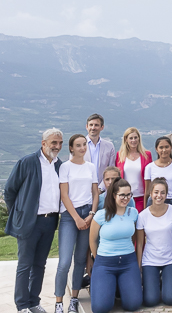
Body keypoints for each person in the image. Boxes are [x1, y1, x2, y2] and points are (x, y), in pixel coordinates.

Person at [4, 128, 64, 313]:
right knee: (25, 265)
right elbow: (10, 191)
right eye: (54, 142)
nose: (57, 146)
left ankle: (33, 302)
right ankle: (22, 306)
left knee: (40, 264)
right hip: (30, 222)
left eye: (60, 143)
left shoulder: (59, 165)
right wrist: (19, 214)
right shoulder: (28, 162)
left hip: (50, 222)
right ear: (43, 143)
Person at [55, 134, 99, 313]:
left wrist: (91, 214)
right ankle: (59, 302)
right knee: (64, 262)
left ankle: (74, 299)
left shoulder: (90, 167)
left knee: (80, 259)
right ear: (71, 148)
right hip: (69, 216)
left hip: (87, 213)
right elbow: (64, 195)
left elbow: (95, 192)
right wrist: (76, 218)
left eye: (83, 145)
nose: (82, 148)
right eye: (78, 145)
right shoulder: (65, 167)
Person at [88, 178, 142, 312]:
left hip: (128, 262)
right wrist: (97, 258)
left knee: (133, 305)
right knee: (101, 308)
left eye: (129, 194)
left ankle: (118, 288)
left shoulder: (133, 213)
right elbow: (92, 240)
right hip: (105, 263)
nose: (126, 198)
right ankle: (99, 287)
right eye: (122, 195)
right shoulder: (101, 215)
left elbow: (135, 237)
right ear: (114, 195)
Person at [136, 178, 172, 307]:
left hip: (170, 260)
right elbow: (140, 243)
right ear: (150, 193)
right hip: (150, 260)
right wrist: (139, 266)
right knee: (150, 300)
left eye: (162, 193)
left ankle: (166, 282)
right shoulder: (142, 216)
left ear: (166, 195)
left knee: (170, 299)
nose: (159, 196)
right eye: (156, 192)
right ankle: (155, 282)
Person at [115, 126, 152, 212]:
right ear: (126, 140)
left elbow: (150, 175)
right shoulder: (120, 155)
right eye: (131, 138)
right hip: (124, 197)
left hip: (141, 196)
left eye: (136, 137)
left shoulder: (147, 155)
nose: (133, 140)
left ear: (139, 139)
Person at [144, 136, 172, 207]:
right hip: (154, 202)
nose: (164, 150)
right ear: (156, 149)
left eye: (166, 147)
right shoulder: (149, 167)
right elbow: (147, 191)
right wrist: (145, 208)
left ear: (171, 147)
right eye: (161, 147)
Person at [85, 114, 117, 193]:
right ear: (87, 127)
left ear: (102, 127)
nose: (93, 128)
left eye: (96, 125)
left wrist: (100, 189)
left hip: (103, 191)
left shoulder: (109, 146)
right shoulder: (78, 145)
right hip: (83, 190)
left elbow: (111, 169)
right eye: (91, 125)